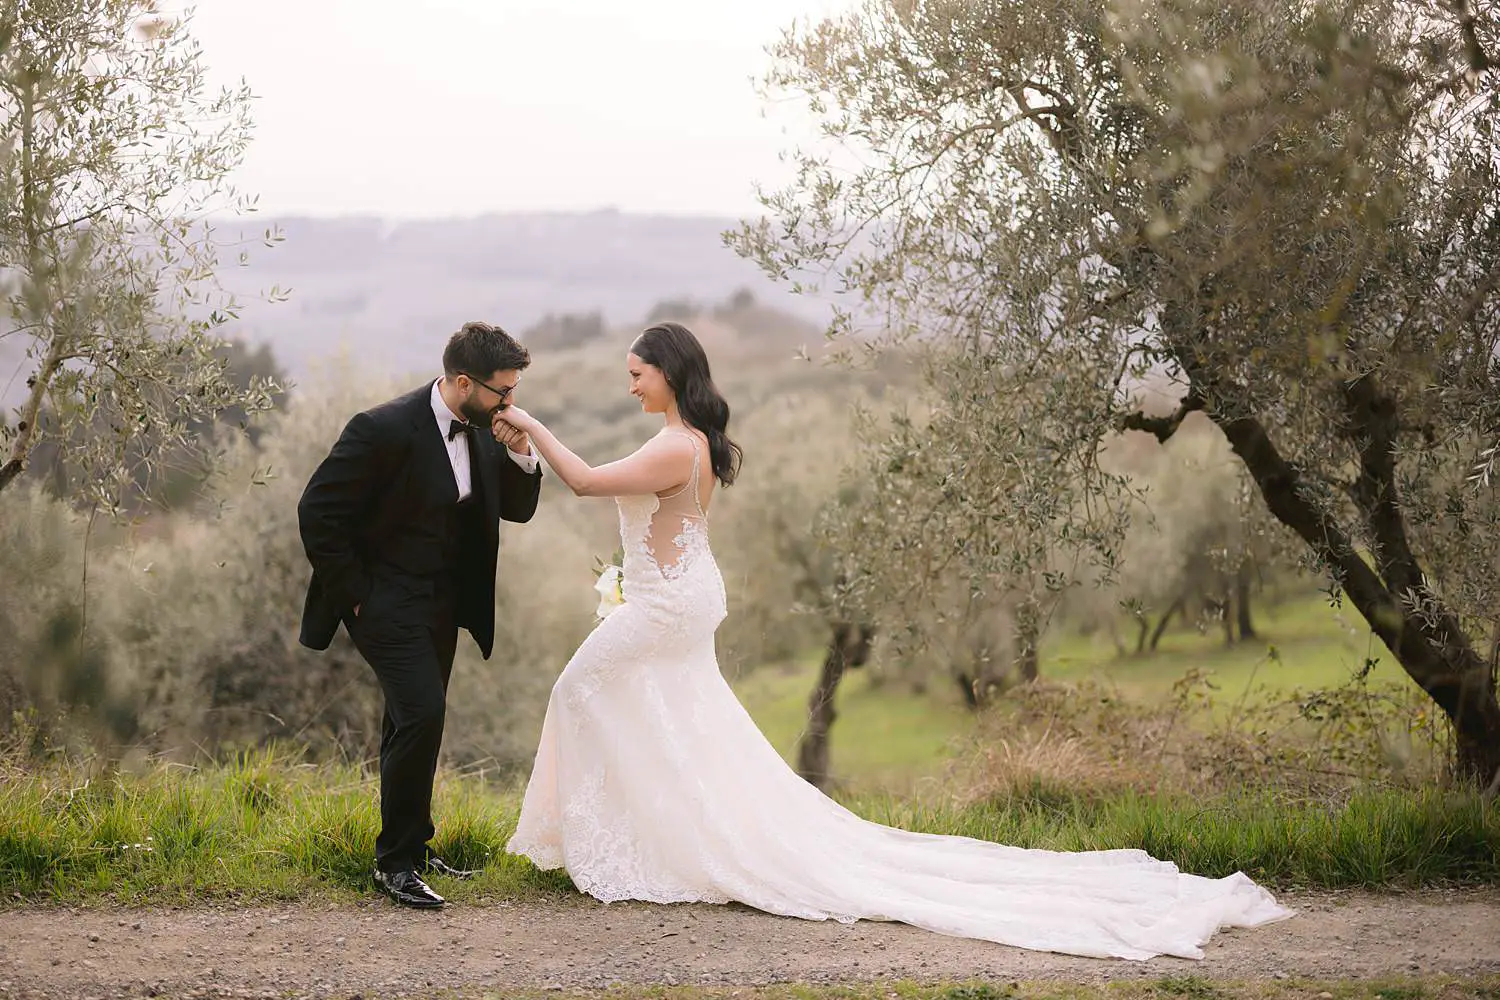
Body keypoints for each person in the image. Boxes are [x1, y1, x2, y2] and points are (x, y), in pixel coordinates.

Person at [498, 320, 1293, 961]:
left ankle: (600, 842)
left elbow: (589, 482)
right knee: (682, 719)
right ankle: (648, 838)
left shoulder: (677, 444)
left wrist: (530, 422)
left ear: (669, 374)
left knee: (578, 688)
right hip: (679, 595)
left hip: (668, 602)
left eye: (637, 373)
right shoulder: (692, 440)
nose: (629, 385)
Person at [297, 321, 543, 909]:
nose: (511, 401)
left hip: (443, 603)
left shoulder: (485, 427)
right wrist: (358, 595)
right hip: (384, 600)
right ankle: (396, 864)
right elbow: (317, 511)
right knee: (424, 712)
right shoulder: (381, 428)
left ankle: (413, 844)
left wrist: (521, 451)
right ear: (464, 382)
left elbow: (517, 509)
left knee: (410, 720)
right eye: (503, 390)